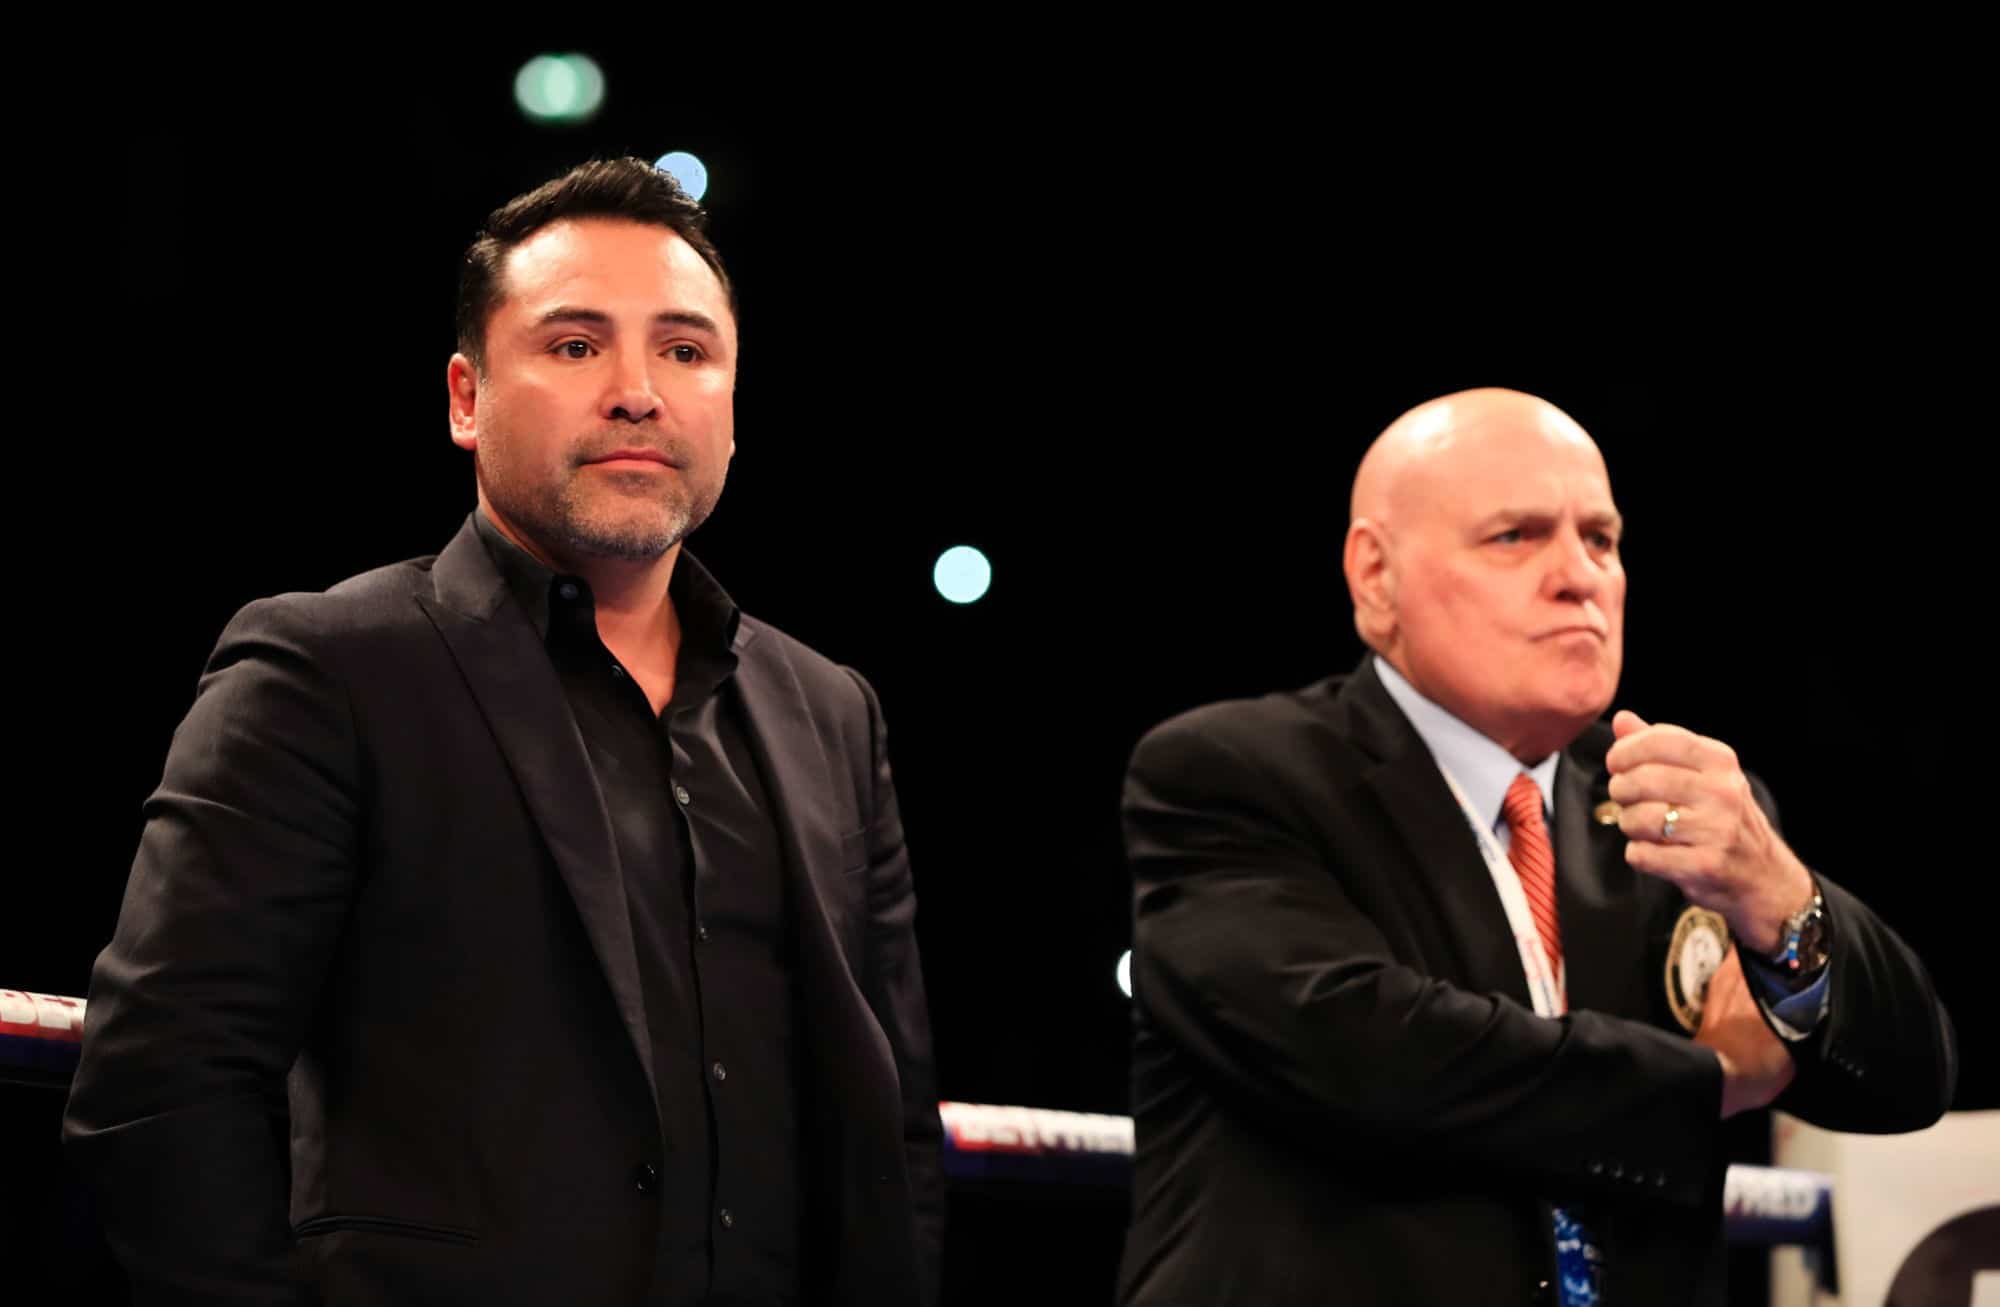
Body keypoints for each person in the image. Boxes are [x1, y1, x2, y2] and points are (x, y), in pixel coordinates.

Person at [64, 158, 943, 1306]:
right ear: (465, 397)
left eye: (684, 350)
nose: (638, 391)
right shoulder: (327, 666)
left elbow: (896, 1130)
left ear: (732, 397)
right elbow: (162, 1085)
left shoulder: (829, 708)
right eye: (576, 346)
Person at [1116, 387, 1956, 1306]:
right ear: (1375, 578)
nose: (1579, 574)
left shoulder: (1677, 807)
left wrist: (1784, 902)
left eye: (1600, 538)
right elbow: (1378, 1055)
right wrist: (1710, 1079)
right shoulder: (1235, 774)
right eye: (1515, 536)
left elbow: (1908, 1082)